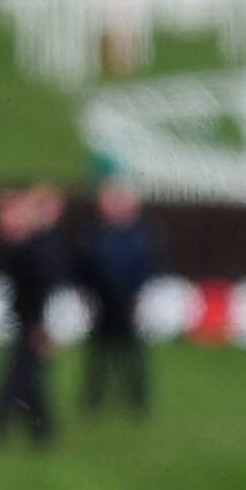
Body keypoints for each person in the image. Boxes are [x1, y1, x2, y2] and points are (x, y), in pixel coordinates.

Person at [0, 186, 65, 447]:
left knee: (15, 379)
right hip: (28, 322)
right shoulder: (23, 244)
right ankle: (42, 430)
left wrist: (43, 326)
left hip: (34, 324)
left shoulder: (37, 246)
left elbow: (46, 287)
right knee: (29, 379)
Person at [74, 179, 159, 418]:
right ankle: (94, 399)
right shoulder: (94, 233)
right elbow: (83, 266)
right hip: (101, 301)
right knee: (98, 354)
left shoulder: (139, 235)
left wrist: (137, 294)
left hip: (127, 301)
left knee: (131, 354)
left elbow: (146, 267)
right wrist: (86, 293)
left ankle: (136, 400)